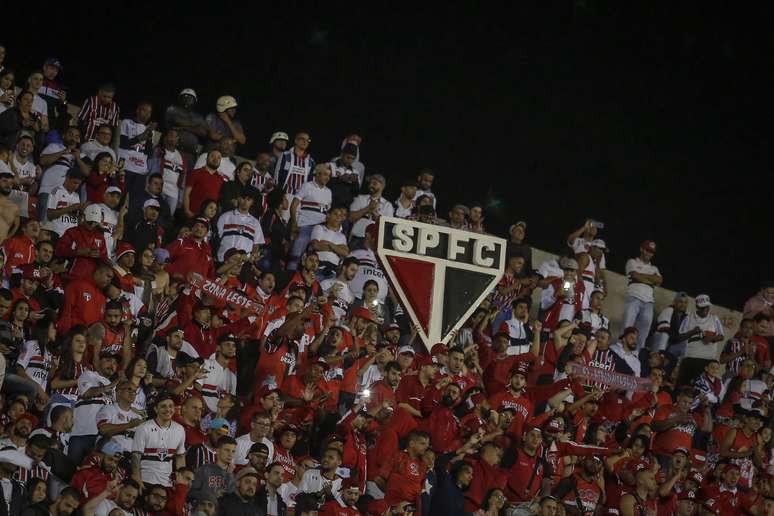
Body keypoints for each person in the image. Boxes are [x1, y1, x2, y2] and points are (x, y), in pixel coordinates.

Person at [131, 392, 186, 488]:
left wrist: (180, 482)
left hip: (167, 483)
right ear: (156, 409)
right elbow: (136, 457)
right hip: (145, 481)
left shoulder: (180, 429)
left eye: (171, 406)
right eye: (163, 406)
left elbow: (180, 457)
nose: (168, 409)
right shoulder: (144, 428)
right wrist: (137, 479)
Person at [288, 164, 333, 270]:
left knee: (314, 261)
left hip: (320, 230)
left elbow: (327, 212)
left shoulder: (329, 192)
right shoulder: (307, 186)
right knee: (296, 257)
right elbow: (294, 205)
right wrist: (294, 224)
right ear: (317, 174)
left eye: (329, 176)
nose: (327, 178)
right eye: (325, 174)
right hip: (305, 226)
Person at [676, 294, 725, 387]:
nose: (705, 310)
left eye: (707, 307)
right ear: (697, 306)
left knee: (702, 388)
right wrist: (692, 332)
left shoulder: (714, 319)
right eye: (702, 308)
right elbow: (680, 337)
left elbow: (721, 336)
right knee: (683, 386)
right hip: (690, 357)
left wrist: (710, 338)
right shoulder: (689, 317)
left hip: (708, 360)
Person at [622, 241, 662, 351]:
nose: (649, 254)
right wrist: (650, 280)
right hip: (634, 297)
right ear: (642, 249)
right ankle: (621, 352)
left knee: (642, 333)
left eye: (652, 252)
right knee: (627, 328)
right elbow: (634, 275)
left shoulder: (654, 268)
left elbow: (659, 280)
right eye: (647, 250)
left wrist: (642, 277)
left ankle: (636, 356)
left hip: (648, 302)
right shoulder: (632, 261)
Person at [118, 101, 156, 197]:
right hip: (125, 166)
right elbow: (123, 144)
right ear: (137, 110)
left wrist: (149, 136)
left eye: (149, 112)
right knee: (119, 194)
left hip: (140, 169)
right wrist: (141, 137)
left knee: (135, 201)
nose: (147, 114)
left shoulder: (150, 130)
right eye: (144, 110)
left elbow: (149, 153)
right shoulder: (126, 122)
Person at [216, 187, 264, 262]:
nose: (245, 201)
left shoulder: (255, 223)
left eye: (248, 200)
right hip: (223, 260)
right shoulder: (225, 216)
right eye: (243, 198)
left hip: (243, 263)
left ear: (252, 202)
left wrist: (251, 258)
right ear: (238, 199)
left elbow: (256, 245)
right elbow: (217, 238)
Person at [164, 88, 207, 167]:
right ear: (180, 99)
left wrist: (185, 128)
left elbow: (203, 132)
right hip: (172, 150)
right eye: (185, 97)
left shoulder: (197, 116)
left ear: (195, 100)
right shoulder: (172, 109)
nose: (187, 100)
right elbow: (177, 121)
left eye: (190, 98)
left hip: (190, 154)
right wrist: (196, 125)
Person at [188, 435, 237, 503]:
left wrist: (229, 475)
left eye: (233, 451)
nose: (230, 454)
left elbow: (232, 498)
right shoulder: (204, 470)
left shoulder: (232, 474)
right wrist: (211, 496)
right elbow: (191, 493)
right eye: (227, 450)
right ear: (217, 451)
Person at [348, 174, 394, 245]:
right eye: (370, 183)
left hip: (375, 241)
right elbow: (350, 218)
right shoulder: (360, 198)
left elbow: (387, 227)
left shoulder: (388, 205)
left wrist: (374, 213)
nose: (370, 185)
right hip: (357, 238)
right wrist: (367, 208)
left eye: (374, 183)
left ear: (382, 186)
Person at [185, 149, 226, 218]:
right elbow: (186, 194)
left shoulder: (221, 179)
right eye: (212, 156)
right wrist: (187, 210)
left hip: (208, 218)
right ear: (206, 158)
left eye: (218, 157)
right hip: (193, 214)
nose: (215, 159)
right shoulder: (196, 173)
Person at [45, 168, 85, 237]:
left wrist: (81, 213)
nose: (76, 186)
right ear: (67, 177)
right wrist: (68, 209)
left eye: (78, 184)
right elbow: (50, 215)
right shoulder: (56, 191)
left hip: (72, 236)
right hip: (58, 233)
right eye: (74, 182)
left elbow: (77, 221)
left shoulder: (76, 196)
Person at [274, 132, 315, 197]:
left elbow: (311, 180)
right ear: (296, 140)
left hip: (300, 198)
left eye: (307, 140)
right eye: (302, 139)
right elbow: (278, 174)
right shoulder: (285, 155)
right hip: (286, 194)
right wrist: (279, 194)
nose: (305, 142)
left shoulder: (311, 161)